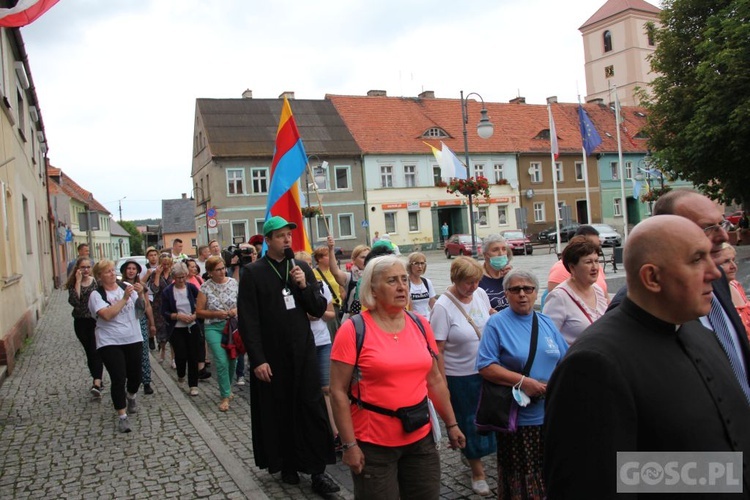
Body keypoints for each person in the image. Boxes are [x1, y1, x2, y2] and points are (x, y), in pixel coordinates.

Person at [544, 215, 750, 496]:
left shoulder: (697, 330)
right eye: (696, 260)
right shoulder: (593, 364)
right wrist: (727, 474)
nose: (714, 272)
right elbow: (598, 479)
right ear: (652, 277)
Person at [330, 255, 467, 499]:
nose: (402, 286)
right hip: (373, 443)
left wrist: (452, 423)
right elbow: (338, 391)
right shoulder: (353, 329)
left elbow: (434, 380)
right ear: (372, 288)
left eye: (404, 279)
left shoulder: (420, 324)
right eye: (392, 281)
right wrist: (349, 445)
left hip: (419, 436)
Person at [608, 189, 750, 402]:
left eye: (722, 224)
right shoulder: (635, 306)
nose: (722, 235)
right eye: (708, 228)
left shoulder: (717, 279)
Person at [237, 216, 339, 495]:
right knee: (279, 411)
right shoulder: (253, 272)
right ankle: (288, 464)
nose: (286, 240)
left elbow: (318, 309)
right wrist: (257, 359)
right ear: (268, 240)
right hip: (272, 356)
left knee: (311, 409)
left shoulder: (302, 267)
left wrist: (304, 285)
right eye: (280, 235)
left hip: (303, 352)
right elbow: (248, 320)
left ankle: (318, 471)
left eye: (288, 235)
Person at [477, 268, 567, 498]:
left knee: (550, 471)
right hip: (518, 419)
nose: (522, 294)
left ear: (536, 293)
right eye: (515, 289)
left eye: (528, 288)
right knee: (524, 478)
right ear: (506, 294)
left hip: (550, 415)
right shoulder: (496, 324)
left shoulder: (546, 322)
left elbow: (564, 361)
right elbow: (486, 366)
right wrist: (524, 382)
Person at [429, 256, 495, 496]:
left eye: (477, 281)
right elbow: (438, 350)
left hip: (487, 370)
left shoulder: (479, 294)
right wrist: (443, 383)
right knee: (469, 422)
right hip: (460, 376)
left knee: (490, 418)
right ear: (455, 279)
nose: (473, 286)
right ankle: (478, 472)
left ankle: (474, 456)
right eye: (468, 282)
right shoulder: (443, 307)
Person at [88, 260, 143, 433]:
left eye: (113, 270)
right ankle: (122, 416)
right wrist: (125, 298)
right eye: (107, 272)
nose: (112, 274)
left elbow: (140, 310)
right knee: (119, 377)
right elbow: (107, 315)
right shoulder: (96, 295)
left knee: (136, 376)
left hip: (133, 337)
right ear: (99, 276)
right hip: (109, 340)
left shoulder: (125, 286)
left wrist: (140, 295)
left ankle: (131, 395)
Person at [296, 250, 339, 446]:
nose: (307, 269)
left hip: (322, 341)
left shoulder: (320, 287)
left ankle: (335, 432)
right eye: (302, 265)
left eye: (308, 265)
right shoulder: (292, 288)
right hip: (303, 343)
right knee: (307, 389)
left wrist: (318, 312)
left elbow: (330, 313)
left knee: (326, 387)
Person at [542, 236, 608, 345]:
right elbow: (546, 337)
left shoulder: (598, 291)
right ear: (572, 267)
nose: (595, 267)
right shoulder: (559, 296)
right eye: (588, 262)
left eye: (596, 261)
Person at [196, 256, 239, 412]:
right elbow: (199, 312)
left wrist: (236, 310)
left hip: (232, 326)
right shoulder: (205, 288)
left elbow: (244, 303)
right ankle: (225, 396)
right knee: (221, 360)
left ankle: (227, 387)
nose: (222, 272)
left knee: (232, 359)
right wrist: (214, 313)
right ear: (210, 272)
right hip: (213, 327)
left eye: (223, 268)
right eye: (218, 270)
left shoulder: (234, 283)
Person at [65, 256, 104, 398]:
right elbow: (75, 302)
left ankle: (97, 382)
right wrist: (78, 282)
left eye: (88, 267)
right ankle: (96, 376)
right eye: (83, 267)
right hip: (80, 322)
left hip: (95, 322)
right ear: (78, 269)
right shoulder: (74, 284)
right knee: (89, 352)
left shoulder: (97, 283)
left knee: (95, 351)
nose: (86, 270)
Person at [161, 262, 202, 397]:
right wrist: (178, 316)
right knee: (181, 354)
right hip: (177, 328)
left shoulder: (191, 288)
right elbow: (164, 312)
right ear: (173, 277)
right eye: (178, 277)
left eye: (183, 277)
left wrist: (195, 315)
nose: (181, 280)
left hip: (192, 326)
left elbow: (201, 304)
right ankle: (180, 373)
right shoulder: (168, 291)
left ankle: (193, 384)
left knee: (193, 355)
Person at [120, 259, 156, 395]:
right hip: (124, 322)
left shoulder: (141, 286)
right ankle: (129, 380)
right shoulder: (119, 285)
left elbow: (147, 306)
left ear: (137, 271)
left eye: (134, 269)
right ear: (124, 270)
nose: (131, 271)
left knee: (143, 352)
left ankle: (146, 381)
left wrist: (152, 323)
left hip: (140, 320)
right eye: (128, 268)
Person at [545, 225, 607, 295]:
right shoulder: (560, 269)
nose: (594, 250)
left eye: (597, 246)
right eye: (590, 246)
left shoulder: (597, 267)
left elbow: (605, 297)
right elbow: (554, 297)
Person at [329, 242, 371, 321]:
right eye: (363, 257)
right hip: (353, 321)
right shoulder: (349, 277)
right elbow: (335, 272)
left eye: (368, 257)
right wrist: (331, 250)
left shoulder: (376, 277)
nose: (366, 260)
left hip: (372, 320)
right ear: (354, 260)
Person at [716, 243, 750, 338]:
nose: (733, 266)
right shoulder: (713, 296)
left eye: (733, 260)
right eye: (726, 262)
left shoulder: (735, 284)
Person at [146, 253, 174, 364]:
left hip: (172, 305)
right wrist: (157, 275)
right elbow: (154, 289)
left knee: (172, 332)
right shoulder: (155, 274)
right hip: (159, 306)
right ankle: (162, 349)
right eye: (164, 263)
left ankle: (173, 357)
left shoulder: (174, 273)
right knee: (161, 331)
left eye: (168, 263)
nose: (166, 266)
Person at [313, 242, 343, 337]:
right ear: (319, 259)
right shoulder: (314, 273)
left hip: (338, 307)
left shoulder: (334, 271)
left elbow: (340, 286)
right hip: (327, 308)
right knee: (332, 335)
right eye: (328, 255)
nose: (332, 257)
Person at [479, 233, 513, 312]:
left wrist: (512, 278)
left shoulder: (510, 275)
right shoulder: (477, 278)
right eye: (495, 250)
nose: (501, 254)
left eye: (504, 249)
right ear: (485, 254)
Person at [407, 251, 436, 317]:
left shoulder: (427, 282)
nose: (420, 266)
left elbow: (433, 304)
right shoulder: (406, 283)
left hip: (427, 321)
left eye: (422, 263)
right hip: (414, 321)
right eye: (416, 263)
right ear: (410, 265)